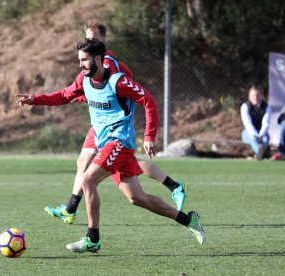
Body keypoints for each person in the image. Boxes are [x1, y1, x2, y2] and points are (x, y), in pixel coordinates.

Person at [17, 39, 205, 253]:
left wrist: (150, 136)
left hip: (120, 142)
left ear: (99, 59)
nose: (81, 64)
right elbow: (63, 95)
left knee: (87, 180)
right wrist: (36, 99)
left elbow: (149, 102)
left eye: (85, 60)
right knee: (137, 198)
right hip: (106, 144)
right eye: (79, 60)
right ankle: (188, 220)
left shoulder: (119, 82)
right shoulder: (84, 80)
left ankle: (92, 239)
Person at [43, 20, 186, 225]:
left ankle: (82, 223)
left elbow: (126, 84)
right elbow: (73, 92)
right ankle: (181, 205)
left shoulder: (107, 62)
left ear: (102, 40)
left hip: (115, 126)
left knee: (90, 173)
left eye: (93, 38)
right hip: (101, 123)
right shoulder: (88, 68)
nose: (89, 41)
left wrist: (147, 133)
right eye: (87, 38)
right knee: (133, 193)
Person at [240, 85, 272, 160]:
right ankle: (259, 151)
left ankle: (259, 155)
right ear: (249, 96)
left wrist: (261, 135)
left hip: (262, 133)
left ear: (261, 96)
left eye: (258, 95)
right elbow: (248, 124)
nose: (255, 97)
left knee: (265, 139)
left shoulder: (267, 107)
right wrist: (256, 135)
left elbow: (266, 123)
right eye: (253, 95)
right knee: (252, 138)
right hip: (248, 133)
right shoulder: (245, 107)